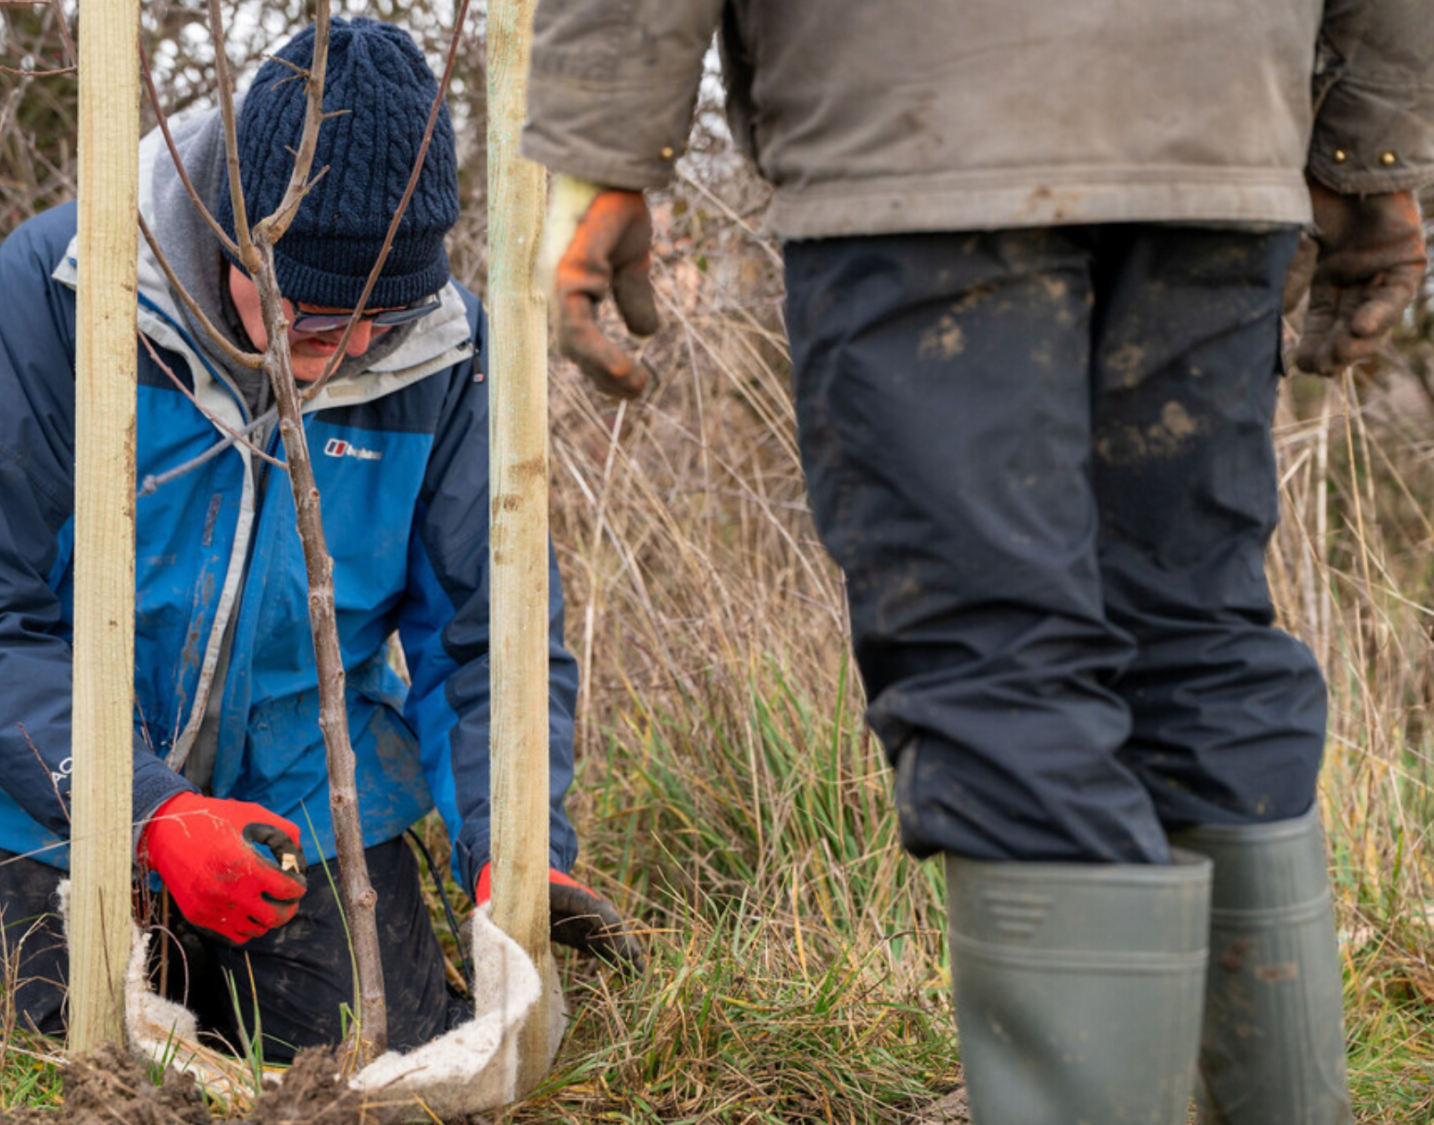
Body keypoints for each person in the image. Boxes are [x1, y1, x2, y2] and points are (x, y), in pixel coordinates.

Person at [523, 3, 1430, 1123]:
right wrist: (1369, 149)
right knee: (1193, 635)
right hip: (1217, 110)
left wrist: (602, 149)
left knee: (995, 658)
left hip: (918, 123)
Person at [0, 17, 639, 1062]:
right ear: (237, 230)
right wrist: (146, 812)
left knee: (380, 1068)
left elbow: (487, 641)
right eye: (305, 313)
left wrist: (509, 851)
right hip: (46, 790)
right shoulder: (65, 288)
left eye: (377, 317)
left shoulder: (452, 353)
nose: (343, 351)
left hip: (303, 797)